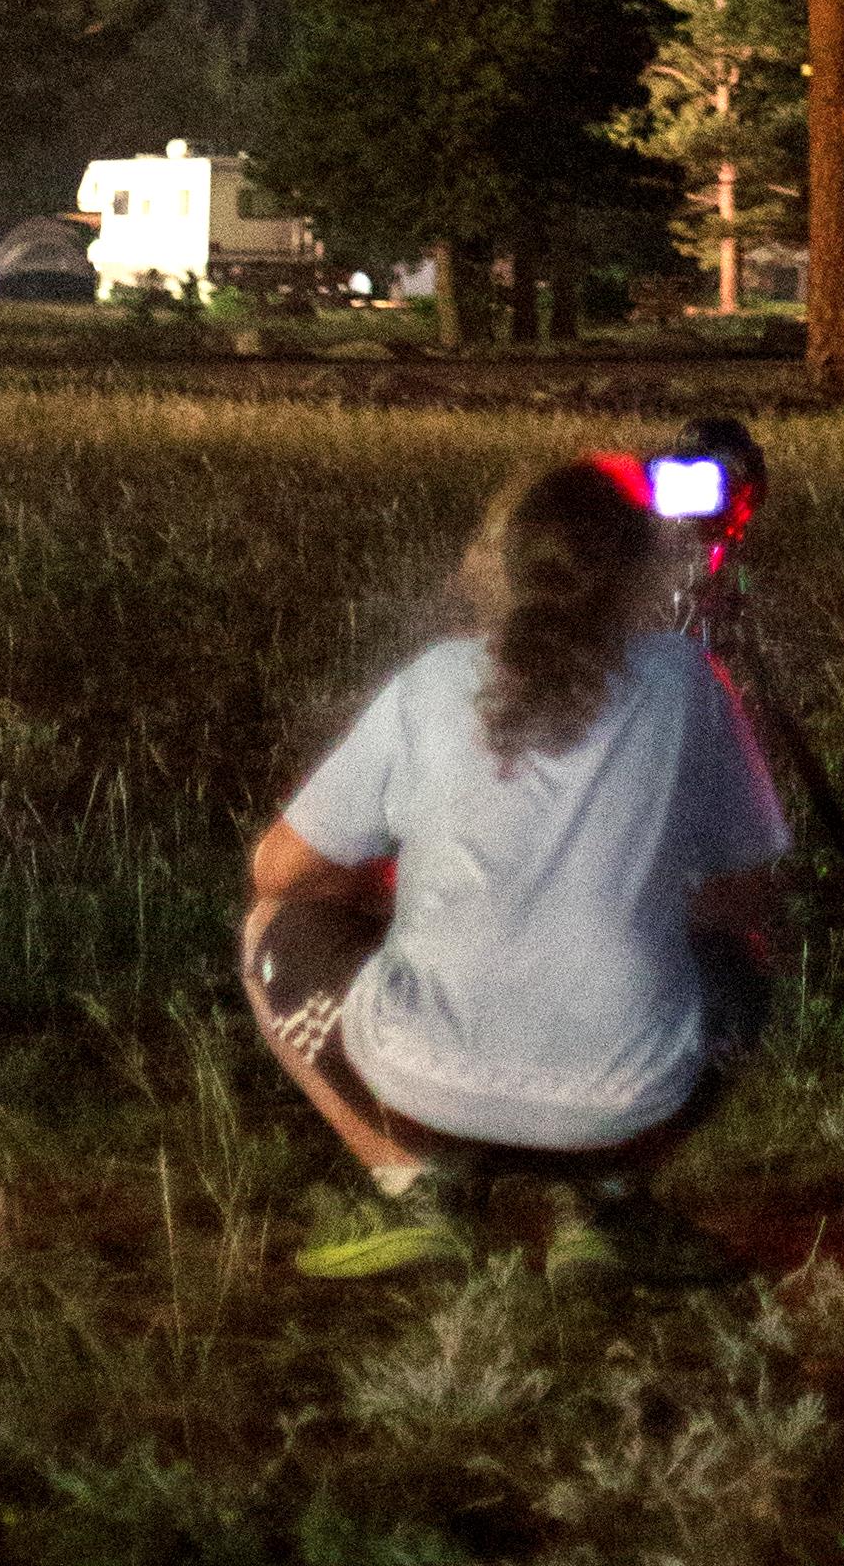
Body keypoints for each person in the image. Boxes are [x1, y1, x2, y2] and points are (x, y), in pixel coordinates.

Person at [240, 451, 789, 1285]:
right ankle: (609, 1201)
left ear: (499, 566)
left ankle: (415, 1186)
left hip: (414, 1075)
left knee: (270, 928)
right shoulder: (688, 684)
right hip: (632, 1094)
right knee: (746, 956)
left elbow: (278, 870)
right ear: (645, 566)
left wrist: (378, 896)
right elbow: (746, 891)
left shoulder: (433, 680)